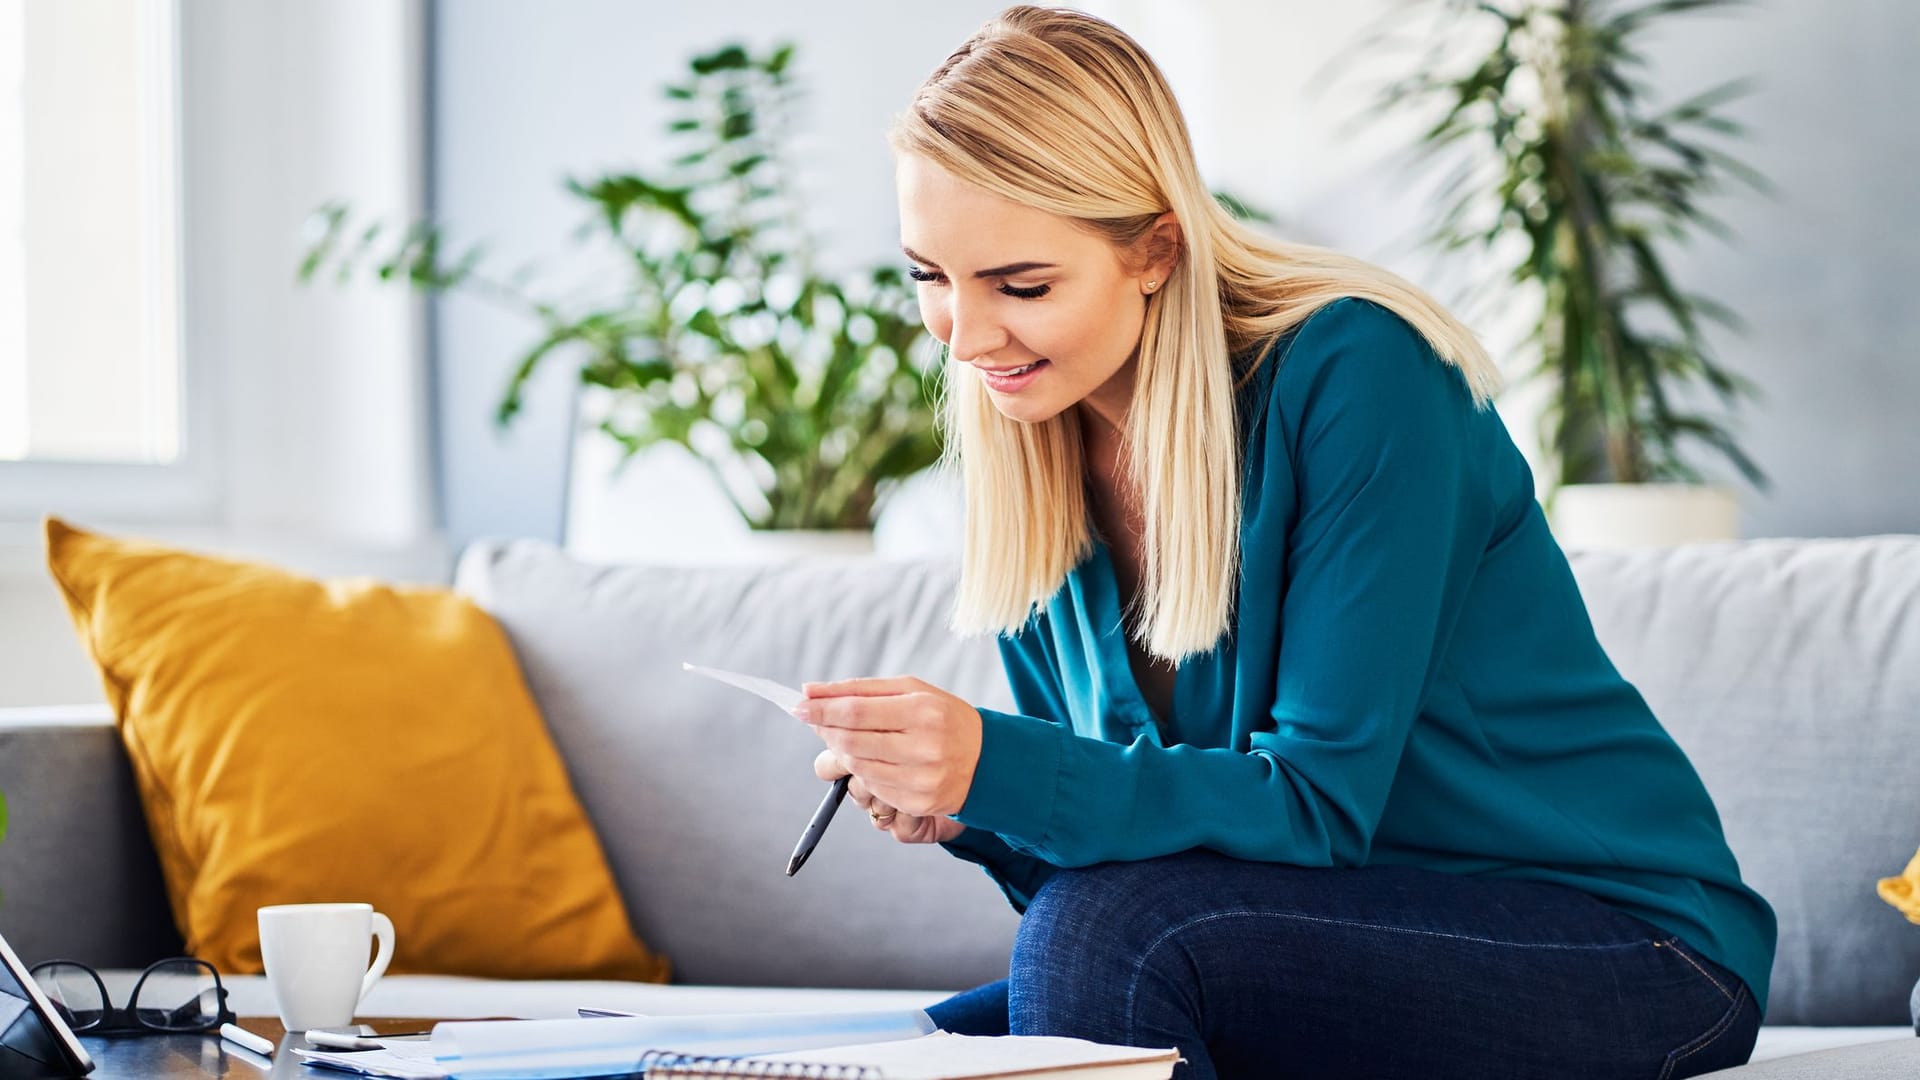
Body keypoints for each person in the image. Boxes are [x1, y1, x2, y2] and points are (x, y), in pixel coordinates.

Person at [787, 6, 1775, 1078]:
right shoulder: (1032, 437)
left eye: (1021, 286)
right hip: (1331, 928)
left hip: (1623, 941)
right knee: (919, 1035)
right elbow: (1125, 859)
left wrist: (1001, 763)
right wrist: (968, 801)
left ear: (1157, 247)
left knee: (1100, 943)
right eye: (930, 276)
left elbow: (1314, 809)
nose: (967, 338)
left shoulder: (1359, 373)